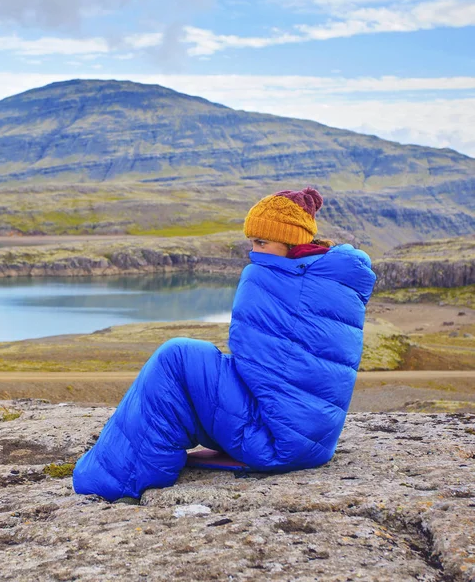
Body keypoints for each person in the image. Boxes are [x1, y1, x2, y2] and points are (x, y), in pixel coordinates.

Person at [73, 187, 376, 501]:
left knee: (176, 359)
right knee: (193, 363)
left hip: (278, 440)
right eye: (252, 243)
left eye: (262, 242)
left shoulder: (270, 277)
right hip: (310, 439)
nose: (253, 252)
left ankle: (117, 482)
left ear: (291, 241)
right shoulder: (332, 278)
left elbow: (249, 356)